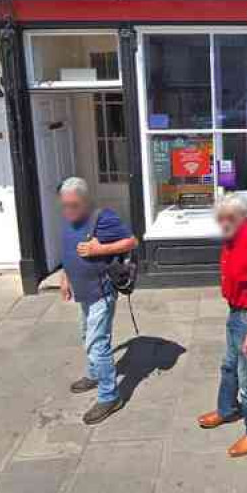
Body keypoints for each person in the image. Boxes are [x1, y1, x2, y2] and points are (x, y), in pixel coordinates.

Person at [197, 194, 247, 458]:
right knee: (229, 364)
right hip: (236, 312)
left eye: (228, 218)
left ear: (243, 216)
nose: (222, 223)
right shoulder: (231, 234)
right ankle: (226, 409)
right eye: (219, 218)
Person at [58, 177, 138, 425]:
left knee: (97, 342)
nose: (68, 210)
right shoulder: (70, 220)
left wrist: (98, 251)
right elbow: (69, 250)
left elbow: (132, 241)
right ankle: (95, 373)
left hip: (101, 292)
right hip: (82, 290)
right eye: (64, 205)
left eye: (73, 205)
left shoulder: (103, 218)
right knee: (87, 335)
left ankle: (109, 395)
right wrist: (65, 277)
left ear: (85, 201)